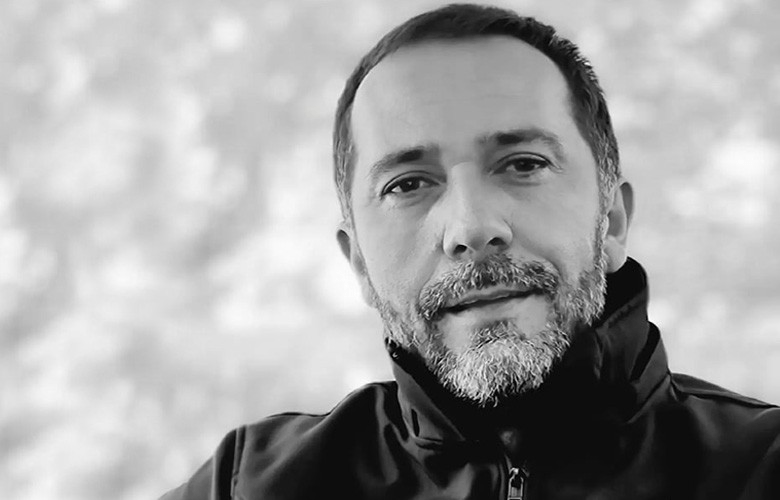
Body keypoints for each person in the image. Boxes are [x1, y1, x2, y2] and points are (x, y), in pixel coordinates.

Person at [161, 4, 780, 499]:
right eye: (408, 185)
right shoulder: (251, 485)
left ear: (612, 221)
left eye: (523, 164)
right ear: (358, 262)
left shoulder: (761, 468)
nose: (471, 227)